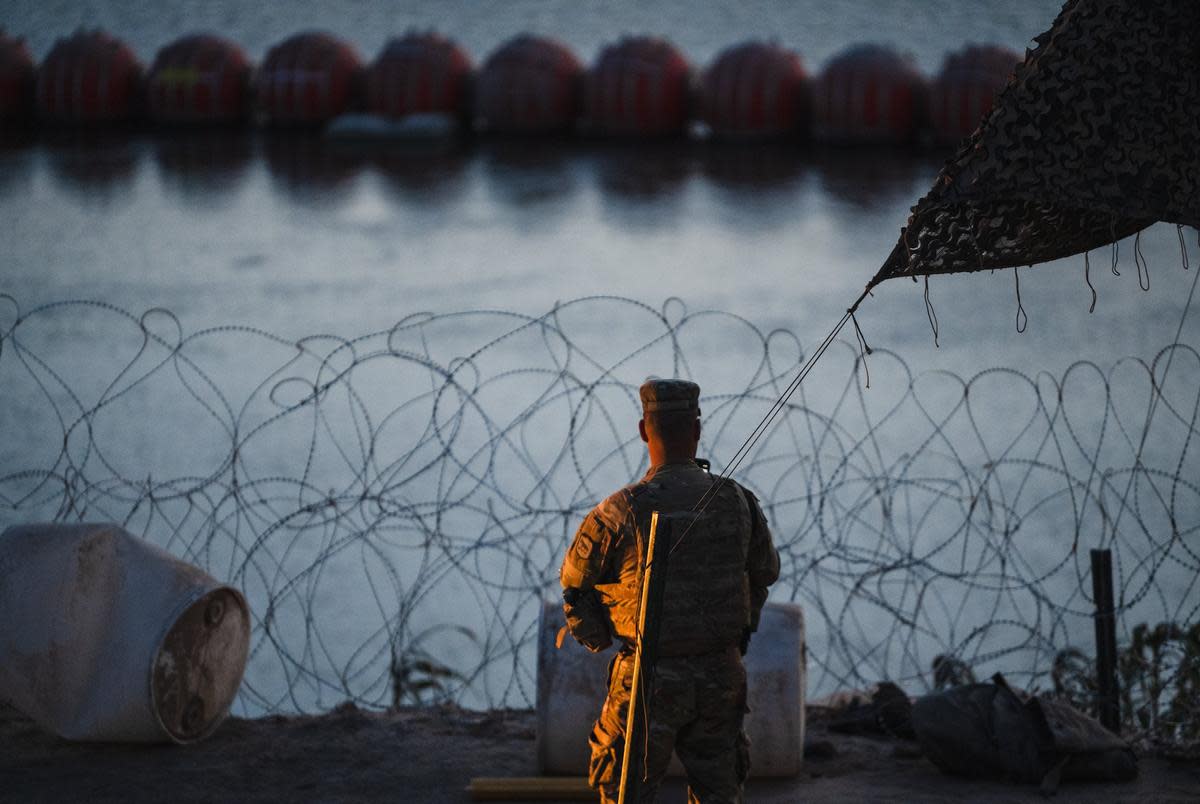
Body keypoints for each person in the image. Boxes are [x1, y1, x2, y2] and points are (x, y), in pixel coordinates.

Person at [560, 378, 781, 803]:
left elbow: (574, 587)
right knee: (719, 791)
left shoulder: (620, 510)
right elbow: (764, 573)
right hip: (720, 674)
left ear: (644, 429)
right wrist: (739, 634)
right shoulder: (737, 500)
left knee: (625, 790)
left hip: (645, 677)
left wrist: (600, 636)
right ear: (697, 429)